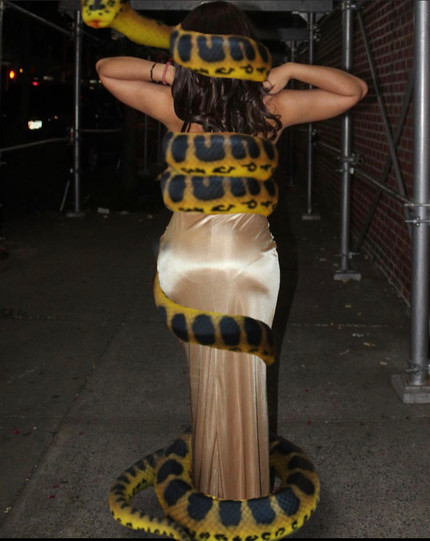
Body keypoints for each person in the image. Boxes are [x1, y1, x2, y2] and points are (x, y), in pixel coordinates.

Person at [96, 0, 367, 502]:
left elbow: (107, 69)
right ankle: (242, 489)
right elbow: (353, 91)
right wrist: (290, 70)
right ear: (245, 48)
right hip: (247, 262)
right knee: (244, 373)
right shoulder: (271, 110)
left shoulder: (178, 109)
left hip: (187, 261)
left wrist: (168, 70)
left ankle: (211, 482)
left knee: (206, 373)